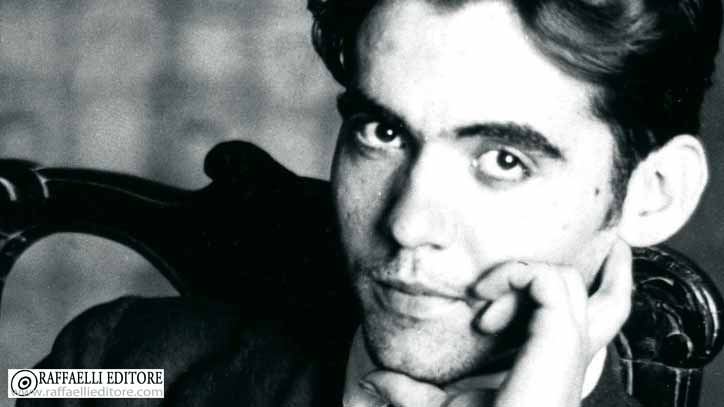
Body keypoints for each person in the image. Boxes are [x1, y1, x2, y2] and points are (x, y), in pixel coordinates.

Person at [18, 0, 722, 406]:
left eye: (504, 160)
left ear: (653, 195)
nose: (406, 223)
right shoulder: (117, 361)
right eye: (382, 133)